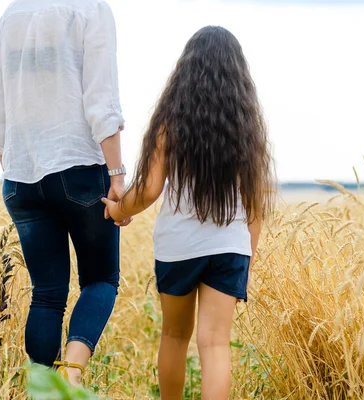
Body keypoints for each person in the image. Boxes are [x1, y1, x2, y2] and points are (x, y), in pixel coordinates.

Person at [102, 26, 275, 399]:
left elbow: (148, 189)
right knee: (215, 345)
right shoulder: (248, 129)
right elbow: (256, 205)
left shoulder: (172, 121)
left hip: (178, 246)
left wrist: (118, 211)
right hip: (230, 248)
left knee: (174, 336)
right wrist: (246, 258)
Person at [0, 0, 129, 386]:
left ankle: (42, 389)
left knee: (46, 293)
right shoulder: (89, 9)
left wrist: (17, 168)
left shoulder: (8, 18)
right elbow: (102, 100)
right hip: (79, 167)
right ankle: (72, 379)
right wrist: (116, 175)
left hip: (19, 176)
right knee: (100, 280)